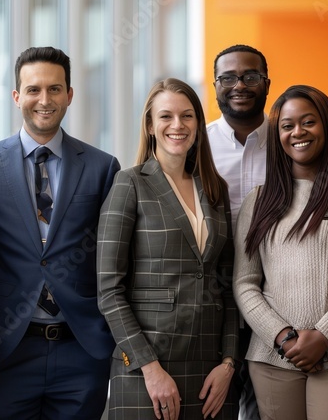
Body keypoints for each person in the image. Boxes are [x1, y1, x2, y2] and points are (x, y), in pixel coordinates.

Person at [0, 46, 120, 420]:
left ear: (69, 95)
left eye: (54, 89)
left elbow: (115, 258)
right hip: (9, 350)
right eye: (33, 89)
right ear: (17, 96)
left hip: (82, 350)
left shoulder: (103, 167)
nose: (44, 100)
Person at [234, 85, 328, 420]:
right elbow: (245, 284)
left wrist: (324, 337)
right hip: (273, 356)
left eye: (308, 122)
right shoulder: (258, 201)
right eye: (287, 126)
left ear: (327, 127)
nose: (297, 133)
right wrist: (284, 337)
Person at [98, 78, 238, 420]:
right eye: (166, 116)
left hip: (210, 371)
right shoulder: (130, 183)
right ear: (150, 125)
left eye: (187, 116)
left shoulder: (215, 189)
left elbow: (228, 283)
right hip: (148, 367)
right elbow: (108, 290)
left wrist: (229, 363)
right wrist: (148, 367)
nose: (178, 125)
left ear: (198, 125)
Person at [207, 44, 271, 420]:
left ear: (266, 83)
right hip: (212, 304)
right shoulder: (196, 143)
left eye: (250, 76)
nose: (239, 85)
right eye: (228, 77)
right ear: (216, 85)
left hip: (277, 302)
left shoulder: (287, 141)